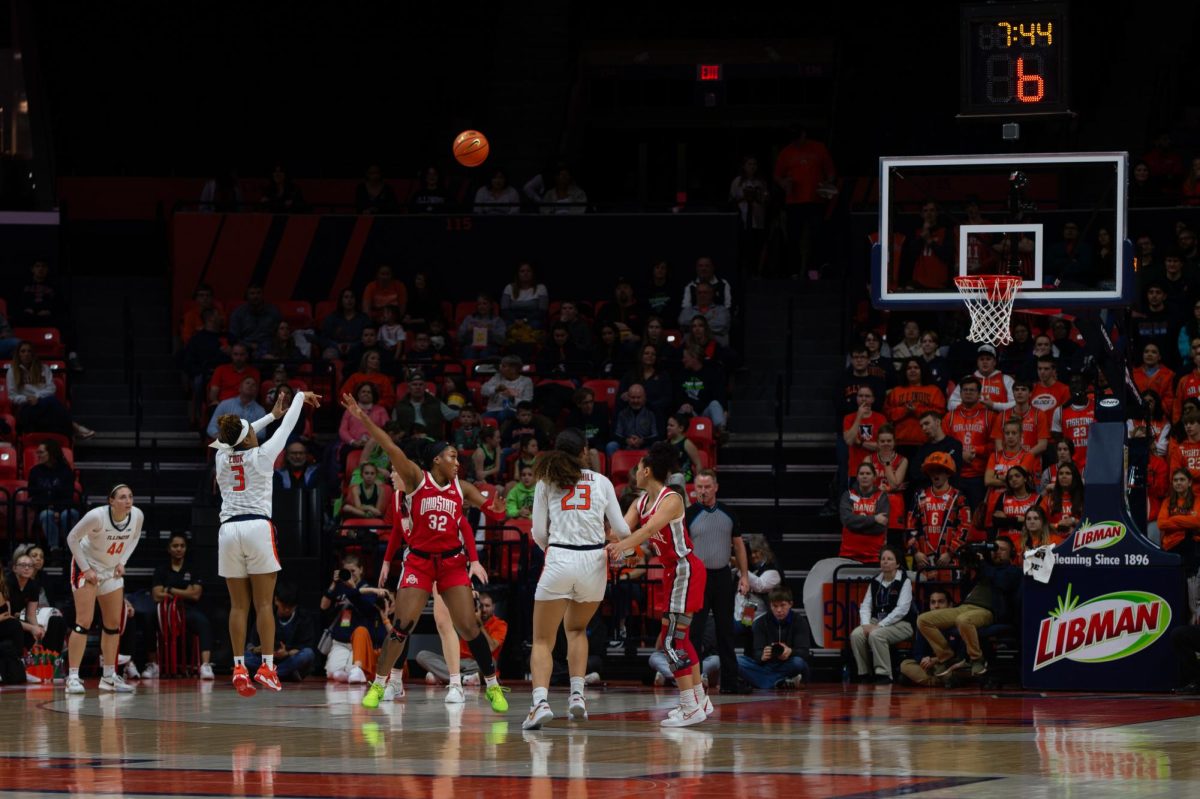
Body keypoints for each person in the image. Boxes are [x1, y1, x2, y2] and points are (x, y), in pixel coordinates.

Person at [341, 394, 511, 714]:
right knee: (402, 625)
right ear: (436, 460)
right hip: (418, 561)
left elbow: (494, 510)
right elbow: (391, 447)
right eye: (452, 456)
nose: (457, 461)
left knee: (470, 628)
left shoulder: (464, 488)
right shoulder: (416, 479)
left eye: (458, 457)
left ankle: (492, 685)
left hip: (451, 563)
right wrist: (363, 419)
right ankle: (380, 684)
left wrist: (497, 508)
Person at [213, 388, 319, 696]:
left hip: (228, 530)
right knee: (263, 605)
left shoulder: (221, 456)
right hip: (257, 527)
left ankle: (237, 667)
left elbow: (238, 435)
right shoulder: (262, 455)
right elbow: (289, 428)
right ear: (247, 438)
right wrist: (299, 396)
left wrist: (271, 415)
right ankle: (268, 668)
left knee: (238, 606)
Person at [523, 429, 629, 729]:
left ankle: (540, 703)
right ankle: (577, 696)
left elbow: (539, 532)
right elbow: (621, 529)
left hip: (561, 557)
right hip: (594, 562)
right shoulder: (603, 482)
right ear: (584, 451)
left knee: (543, 639)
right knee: (578, 629)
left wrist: (553, 550)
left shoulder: (546, 481)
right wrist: (629, 548)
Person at [605, 443, 710, 726]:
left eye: (638, 468)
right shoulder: (639, 502)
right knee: (678, 637)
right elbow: (620, 531)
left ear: (647, 471)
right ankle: (700, 699)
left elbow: (649, 530)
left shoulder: (672, 498)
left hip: (685, 568)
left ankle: (689, 706)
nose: (635, 472)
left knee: (673, 641)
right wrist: (599, 534)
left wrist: (623, 547)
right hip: (671, 572)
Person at [63, 485, 145, 694]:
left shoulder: (136, 515)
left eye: (130, 496)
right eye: (123, 497)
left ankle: (108, 677)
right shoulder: (96, 516)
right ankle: (73, 677)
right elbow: (72, 538)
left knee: (113, 624)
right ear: (111, 501)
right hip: (87, 565)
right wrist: (86, 568)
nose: (128, 501)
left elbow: (135, 537)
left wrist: (122, 561)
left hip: (111, 569)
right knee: (84, 622)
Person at [685, 469, 750, 694]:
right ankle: (694, 683)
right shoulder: (688, 514)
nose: (703, 491)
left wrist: (744, 575)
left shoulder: (729, 513)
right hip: (698, 578)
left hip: (722, 575)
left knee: (725, 631)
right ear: (694, 489)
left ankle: (730, 682)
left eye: (707, 486)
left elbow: (739, 546)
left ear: (716, 487)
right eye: (699, 487)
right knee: (695, 631)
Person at [917, 537, 1020, 678]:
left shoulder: (1013, 571)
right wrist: (968, 569)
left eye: (1002, 549)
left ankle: (977, 659)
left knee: (963, 620)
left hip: (987, 611)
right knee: (923, 620)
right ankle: (946, 656)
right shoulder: (983, 569)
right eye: (994, 549)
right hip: (965, 607)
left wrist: (983, 563)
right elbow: (965, 591)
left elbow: (1000, 582)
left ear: (1011, 553)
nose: (997, 552)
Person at [849, 545, 915, 683]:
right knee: (856, 635)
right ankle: (864, 673)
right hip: (877, 621)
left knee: (876, 634)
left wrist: (880, 625)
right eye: (883, 559)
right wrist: (866, 624)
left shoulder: (905, 581)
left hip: (902, 623)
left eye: (890, 559)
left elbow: (901, 610)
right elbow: (866, 606)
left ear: (897, 564)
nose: (885, 561)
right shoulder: (875, 582)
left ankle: (884, 674)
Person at [152, 532, 214, 679]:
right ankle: (153, 665)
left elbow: (195, 594)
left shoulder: (192, 568)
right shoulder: (162, 569)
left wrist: (170, 589)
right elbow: (156, 595)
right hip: (166, 611)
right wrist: (185, 591)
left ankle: (205, 666)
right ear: (169, 549)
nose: (179, 549)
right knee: (149, 619)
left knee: (204, 623)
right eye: (175, 546)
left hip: (187, 609)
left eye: (182, 546)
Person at [320, 554, 387, 684]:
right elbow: (323, 606)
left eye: (353, 571)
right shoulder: (339, 587)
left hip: (358, 643)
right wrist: (333, 584)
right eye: (347, 571)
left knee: (354, 671)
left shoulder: (368, 588)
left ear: (361, 570)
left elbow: (366, 609)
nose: (350, 574)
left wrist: (353, 589)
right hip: (340, 641)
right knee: (332, 673)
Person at [418, 589, 508, 683]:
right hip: (458, 661)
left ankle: (443, 675)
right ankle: (463, 678)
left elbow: (491, 647)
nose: (484, 609)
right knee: (422, 655)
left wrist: (479, 625)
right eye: (481, 606)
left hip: (477, 663)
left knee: (491, 662)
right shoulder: (466, 619)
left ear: (493, 607)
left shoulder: (500, 624)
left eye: (487, 606)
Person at [8, 341, 90, 439]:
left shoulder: (44, 368)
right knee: (52, 403)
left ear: (33, 354)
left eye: (29, 351)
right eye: (23, 351)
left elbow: (51, 388)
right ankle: (75, 427)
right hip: (27, 407)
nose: (26, 354)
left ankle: (67, 436)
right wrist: (27, 399)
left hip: (45, 404)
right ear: (18, 354)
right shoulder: (12, 371)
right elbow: (12, 396)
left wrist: (37, 397)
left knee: (50, 404)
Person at [906, 452, 969, 577]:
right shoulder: (920, 495)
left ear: (948, 473)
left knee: (950, 595)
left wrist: (950, 552)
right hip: (924, 560)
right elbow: (910, 526)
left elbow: (965, 526)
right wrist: (916, 552)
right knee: (925, 595)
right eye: (932, 470)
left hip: (950, 560)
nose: (935, 474)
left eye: (940, 470)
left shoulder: (958, 496)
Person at [734, 586, 809, 689]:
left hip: (787, 665)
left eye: (783, 605)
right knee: (736, 660)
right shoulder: (760, 623)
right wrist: (762, 655)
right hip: (766, 666)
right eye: (775, 606)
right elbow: (756, 654)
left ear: (790, 604)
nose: (779, 610)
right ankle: (778, 682)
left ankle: (764, 682)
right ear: (770, 605)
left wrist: (790, 651)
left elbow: (804, 652)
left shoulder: (799, 621)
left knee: (798, 662)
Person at [244, 582, 317, 682]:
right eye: (284, 605)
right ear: (276, 600)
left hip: (288, 659)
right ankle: (283, 674)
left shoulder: (304, 618)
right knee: (243, 657)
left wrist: (286, 653)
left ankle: (271, 674)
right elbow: (251, 646)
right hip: (266, 659)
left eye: (290, 606)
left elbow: (305, 647)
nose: (287, 609)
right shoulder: (266, 616)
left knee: (308, 654)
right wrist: (261, 650)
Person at [26, 439, 79, 551]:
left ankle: (69, 549)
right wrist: (51, 508)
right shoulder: (35, 471)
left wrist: (58, 510)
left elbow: (68, 495)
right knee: (46, 515)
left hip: (65, 508)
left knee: (68, 515)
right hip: (43, 509)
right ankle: (54, 549)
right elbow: (33, 496)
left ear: (51, 453)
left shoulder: (65, 470)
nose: (38, 455)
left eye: (41, 452)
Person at [839, 462, 889, 563]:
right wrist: (874, 519)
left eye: (868, 473)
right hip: (848, 554)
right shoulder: (848, 495)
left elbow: (880, 527)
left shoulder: (881, 496)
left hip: (874, 556)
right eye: (861, 474)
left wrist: (856, 524)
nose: (864, 476)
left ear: (874, 477)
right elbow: (847, 521)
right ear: (857, 477)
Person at [1157, 468, 1200, 570]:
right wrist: (1187, 521)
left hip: (1193, 546)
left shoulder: (1198, 499)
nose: (1178, 483)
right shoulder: (1167, 502)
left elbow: (1197, 522)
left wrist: (1174, 519)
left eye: (1182, 479)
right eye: (1175, 480)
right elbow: (1161, 524)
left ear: (1189, 483)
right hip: (1171, 545)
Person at [500, 262, 549, 330]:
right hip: (513, 319)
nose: (525, 273)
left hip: (533, 319)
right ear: (518, 274)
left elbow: (542, 310)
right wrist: (515, 320)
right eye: (522, 271)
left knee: (536, 325)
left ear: (532, 273)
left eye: (528, 271)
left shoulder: (541, 288)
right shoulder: (509, 287)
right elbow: (504, 310)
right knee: (505, 326)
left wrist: (525, 320)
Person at [1042, 461, 1085, 538]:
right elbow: (1038, 522)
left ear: (1075, 477)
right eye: (1061, 474)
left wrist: (1074, 521)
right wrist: (1056, 526)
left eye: (1068, 473)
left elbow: (1092, 523)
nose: (1063, 476)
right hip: (1054, 542)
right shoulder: (1048, 499)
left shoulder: (1084, 499)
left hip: (1079, 540)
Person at [458, 294, 507, 359]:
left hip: (490, 346)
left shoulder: (497, 320)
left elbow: (502, 340)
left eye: (484, 304)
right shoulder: (469, 319)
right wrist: (467, 330)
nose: (481, 306)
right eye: (479, 304)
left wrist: (490, 331)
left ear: (491, 305)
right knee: (469, 352)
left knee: (485, 353)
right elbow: (459, 339)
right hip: (471, 345)